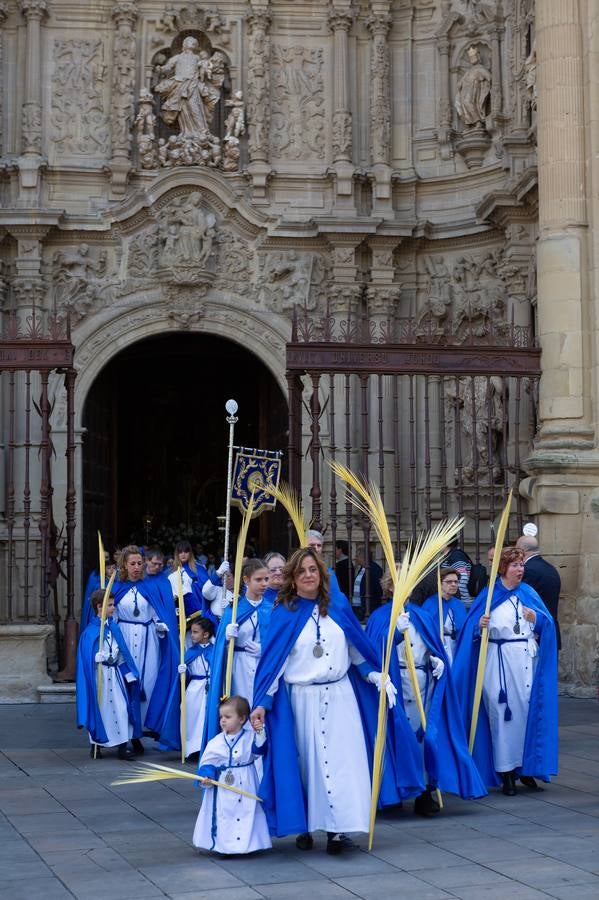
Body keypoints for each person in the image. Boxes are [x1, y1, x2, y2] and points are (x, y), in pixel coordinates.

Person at [250, 547, 424, 853]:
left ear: (321, 574)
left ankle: (338, 830)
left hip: (341, 697)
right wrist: (263, 702)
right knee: (309, 765)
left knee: (344, 764)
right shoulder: (285, 613)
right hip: (303, 699)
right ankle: (306, 824)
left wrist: (374, 676)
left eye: (313, 570)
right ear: (292, 577)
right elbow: (274, 665)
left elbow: (357, 650)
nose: (308, 576)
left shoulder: (338, 606)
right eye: (302, 571)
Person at [367, 571, 486, 816]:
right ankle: (396, 791)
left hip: (423, 684)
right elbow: (372, 651)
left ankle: (425, 791)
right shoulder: (381, 617)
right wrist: (394, 634)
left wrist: (436, 660)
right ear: (389, 588)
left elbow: (433, 645)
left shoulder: (421, 615)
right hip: (396, 685)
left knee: (424, 737)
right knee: (398, 738)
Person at [452, 547, 558, 796]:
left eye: (521, 565)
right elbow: (470, 631)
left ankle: (525, 768)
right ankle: (506, 772)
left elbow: (547, 624)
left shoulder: (528, 593)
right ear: (503, 569)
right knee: (502, 716)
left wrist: (536, 619)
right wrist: (478, 626)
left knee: (527, 711)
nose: (520, 569)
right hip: (498, 663)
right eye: (515, 565)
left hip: (524, 661)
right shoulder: (489, 595)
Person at [112, 545, 178, 747]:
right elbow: (110, 616)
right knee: (124, 685)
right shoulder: (115, 588)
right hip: (123, 639)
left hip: (148, 641)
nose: (137, 567)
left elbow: (159, 611)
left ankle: (138, 733)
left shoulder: (150, 587)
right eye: (132, 563)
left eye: (140, 563)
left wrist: (161, 625)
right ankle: (125, 735)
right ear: (124, 565)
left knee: (147, 684)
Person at [204, 559, 273, 743]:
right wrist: (226, 638)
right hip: (238, 667)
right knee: (241, 707)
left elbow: (277, 644)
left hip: (262, 666)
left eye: (266, 579)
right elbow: (220, 647)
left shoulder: (271, 608)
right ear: (246, 580)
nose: (264, 584)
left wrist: (263, 649)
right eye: (259, 580)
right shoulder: (234, 610)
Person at [193, 695, 271, 855]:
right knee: (225, 814)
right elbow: (208, 762)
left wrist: (260, 731)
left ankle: (247, 845)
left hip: (246, 782)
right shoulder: (216, 742)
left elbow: (259, 750)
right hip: (224, 788)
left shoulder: (249, 737)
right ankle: (224, 846)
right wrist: (207, 776)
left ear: (242, 719)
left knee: (246, 812)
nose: (223, 720)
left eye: (228, 717)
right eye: (221, 717)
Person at [76, 589, 140, 760]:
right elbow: (84, 658)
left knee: (121, 709)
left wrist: (129, 673)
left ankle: (122, 746)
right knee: (101, 709)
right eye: (110, 605)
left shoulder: (114, 627)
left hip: (115, 675)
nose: (113, 608)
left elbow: (122, 653)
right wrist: (94, 658)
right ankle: (96, 745)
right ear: (99, 607)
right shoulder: (89, 632)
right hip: (100, 677)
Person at [160, 617, 215, 758]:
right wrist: (184, 672)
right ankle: (191, 748)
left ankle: (205, 747)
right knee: (190, 717)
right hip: (194, 689)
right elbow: (186, 676)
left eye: (196, 632)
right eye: (192, 632)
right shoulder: (190, 652)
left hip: (210, 688)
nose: (192, 635)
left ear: (206, 634)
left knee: (206, 718)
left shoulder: (215, 651)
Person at [515, 534, 561, 650]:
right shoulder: (551, 568)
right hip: (550, 630)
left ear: (522, 551)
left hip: (537, 633)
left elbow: (521, 601)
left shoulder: (528, 570)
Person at [422, 568, 468, 664]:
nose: (453, 584)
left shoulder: (459, 605)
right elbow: (425, 630)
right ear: (440, 583)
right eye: (449, 582)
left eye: (456, 581)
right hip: (438, 647)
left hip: (456, 647)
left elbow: (465, 629)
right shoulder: (430, 604)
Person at [351, 545, 383, 618]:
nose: (355, 558)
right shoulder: (362, 569)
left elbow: (378, 589)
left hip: (368, 607)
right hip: (357, 606)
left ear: (362, 557)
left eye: (357, 556)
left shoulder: (375, 569)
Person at [442, 538, 473, 606]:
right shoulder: (449, 556)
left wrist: (453, 599)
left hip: (462, 603)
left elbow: (463, 579)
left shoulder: (455, 556)